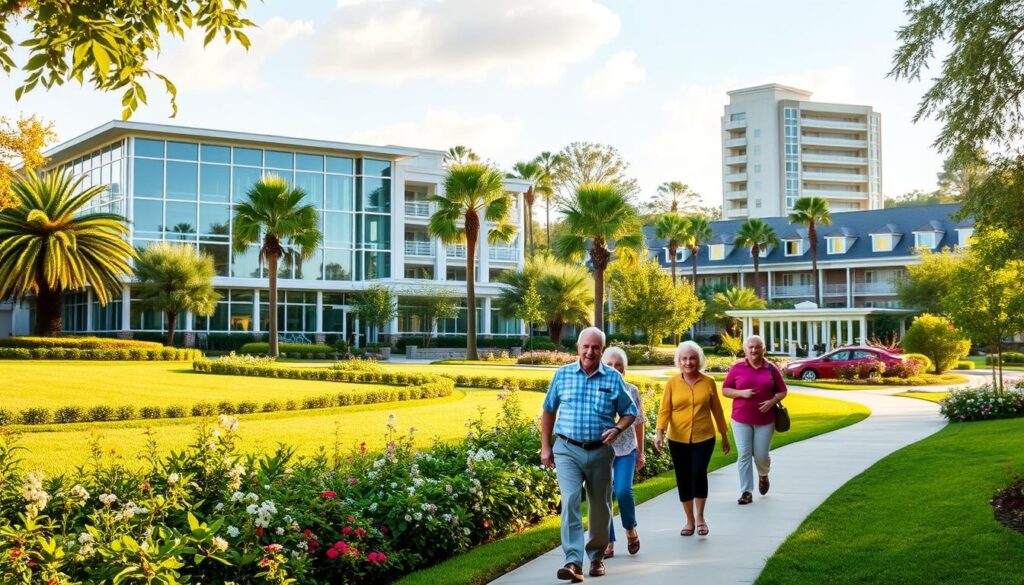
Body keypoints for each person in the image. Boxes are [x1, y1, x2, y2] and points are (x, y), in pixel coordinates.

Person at [541, 327, 638, 582]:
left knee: (600, 506)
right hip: (567, 449)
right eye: (586, 346)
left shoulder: (613, 379)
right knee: (571, 499)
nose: (590, 351)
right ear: (578, 348)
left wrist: (618, 429)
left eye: (595, 347)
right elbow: (549, 410)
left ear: (602, 350)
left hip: (599, 452)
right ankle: (573, 561)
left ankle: (596, 557)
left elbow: (630, 411)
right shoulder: (562, 375)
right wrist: (546, 446)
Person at [655, 341, 730, 537]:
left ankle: (700, 518)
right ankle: (689, 520)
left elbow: (717, 411)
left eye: (693, 358)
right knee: (683, 477)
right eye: (685, 358)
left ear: (699, 360)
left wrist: (724, 435)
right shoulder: (672, 383)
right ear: (679, 361)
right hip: (677, 437)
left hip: (704, 436)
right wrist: (660, 431)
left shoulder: (708, 382)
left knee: (698, 473)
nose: (689, 362)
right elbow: (665, 410)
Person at [721, 334, 788, 505]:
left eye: (757, 347)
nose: (753, 350)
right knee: (744, 454)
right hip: (740, 419)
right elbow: (726, 390)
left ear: (763, 349)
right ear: (745, 349)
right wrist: (741, 393)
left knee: (761, 455)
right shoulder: (737, 368)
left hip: (765, 420)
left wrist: (772, 401)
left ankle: (763, 475)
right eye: (750, 347)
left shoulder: (771, 368)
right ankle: (746, 491)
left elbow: (782, 391)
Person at [600, 346, 646, 558]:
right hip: (601, 451)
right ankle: (608, 541)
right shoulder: (596, 389)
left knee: (623, 491)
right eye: (610, 364)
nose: (615, 368)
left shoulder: (632, 390)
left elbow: (639, 422)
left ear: (625, 369)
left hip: (626, 449)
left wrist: (641, 453)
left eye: (619, 365)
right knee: (603, 496)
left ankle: (630, 529)